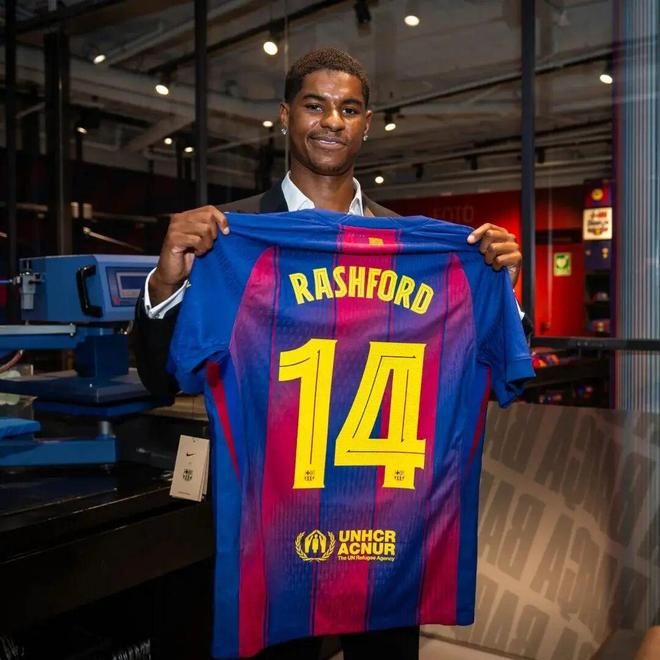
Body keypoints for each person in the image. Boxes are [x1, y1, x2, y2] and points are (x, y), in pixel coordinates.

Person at [134, 48, 526, 660]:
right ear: (285, 115)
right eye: (315, 106)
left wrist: (499, 288)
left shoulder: (421, 247)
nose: (331, 121)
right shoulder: (227, 235)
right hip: (273, 533)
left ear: (367, 123)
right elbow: (161, 379)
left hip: (389, 533)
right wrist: (166, 282)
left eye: (348, 108)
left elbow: (499, 372)